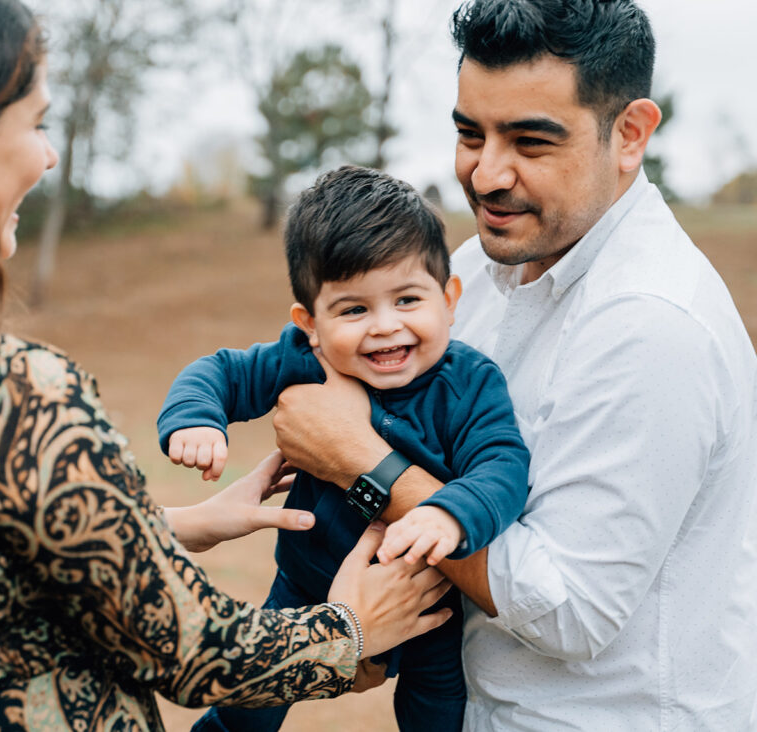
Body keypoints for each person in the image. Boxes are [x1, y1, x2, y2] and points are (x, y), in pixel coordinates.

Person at [0, 1, 455, 729]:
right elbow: (195, 652)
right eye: (37, 123)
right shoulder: (16, 398)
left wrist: (166, 528)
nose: (49, 156)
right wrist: (350, 629)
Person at [272, 1, 757, 730]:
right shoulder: (475, 268)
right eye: (470, 133)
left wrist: (363, 466)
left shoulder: (654, 324)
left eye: (531, 141)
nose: (487, 173)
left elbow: (571, 610)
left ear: (629, 134)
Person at [158, 165, 530, 731]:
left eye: (407, 300)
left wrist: (452, 515)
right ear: (310, 323)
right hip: (306, 584)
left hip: (426, 597)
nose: (384, 327)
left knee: (437, 712)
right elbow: (219, 373)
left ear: (450, 299)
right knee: (246, 712)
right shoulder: (305, 360)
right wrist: (198, 421)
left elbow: (503, 468)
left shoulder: (471, 383)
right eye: (354, 309)